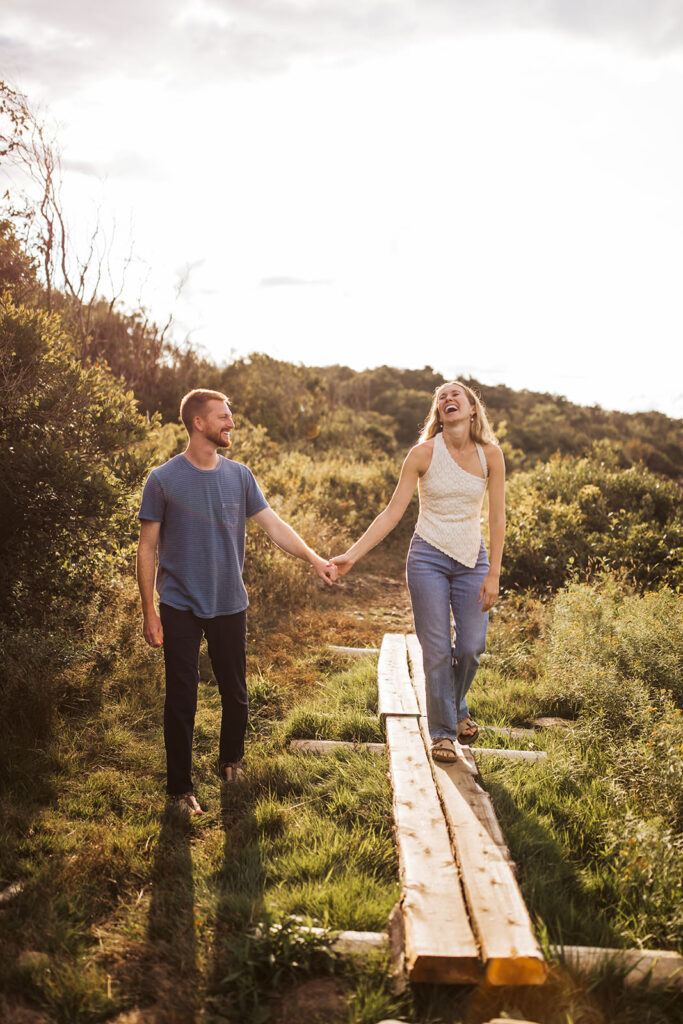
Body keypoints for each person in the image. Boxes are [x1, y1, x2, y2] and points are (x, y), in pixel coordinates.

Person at [137, 388, 337, 815]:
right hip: (179, 605)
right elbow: (147, 549)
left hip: (230, 602)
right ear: (198, 423)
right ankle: (180, 789)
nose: (231, 423)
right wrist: (149, 611)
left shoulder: (240, 476)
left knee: (236, 693)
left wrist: (314, 558)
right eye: (223, 417)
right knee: (181, 698)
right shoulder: (162, 480)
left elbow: (274, 526)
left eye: (230, 416)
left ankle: (231, 761)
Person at [330, 381, 505, 764]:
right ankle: (443, 733)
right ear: (438, 412)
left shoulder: (491, 455)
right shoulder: (423, 454)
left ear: (472, 409)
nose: (447, 398)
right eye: (441, 396)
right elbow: (392, 512)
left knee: (472, 647)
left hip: (473, 560)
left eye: (456, 394)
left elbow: (496, 515)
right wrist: (352, 555)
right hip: (427, 557)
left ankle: (456, 706)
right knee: (438, 649)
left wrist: (494, 572)